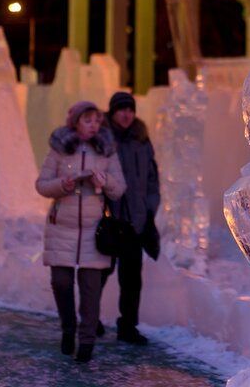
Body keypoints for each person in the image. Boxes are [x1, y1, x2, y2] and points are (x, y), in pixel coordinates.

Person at [35, 100, 126, 363]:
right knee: (61, 282)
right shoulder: (59, 149)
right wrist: (62, 184)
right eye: (88, 121)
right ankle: (68, 329)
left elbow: (119, 188)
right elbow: (41, 185)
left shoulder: (107, 150)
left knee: (90, 289)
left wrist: (105, 181)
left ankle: (86, 340)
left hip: (93, 229)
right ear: (75, 122)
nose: (93, 126)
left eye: (97, 121)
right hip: (61, 226)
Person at [100, 91, 160, 345]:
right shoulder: (102, 139)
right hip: (109, 220)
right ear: (112, 112)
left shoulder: (141, 140)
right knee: (101, 272)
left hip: (135, 222)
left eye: (130, 110)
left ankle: (128, 326)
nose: (126, 114)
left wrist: (149, 209)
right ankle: (90, 319)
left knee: (132, 278)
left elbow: (151, 178)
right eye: (121, 109)